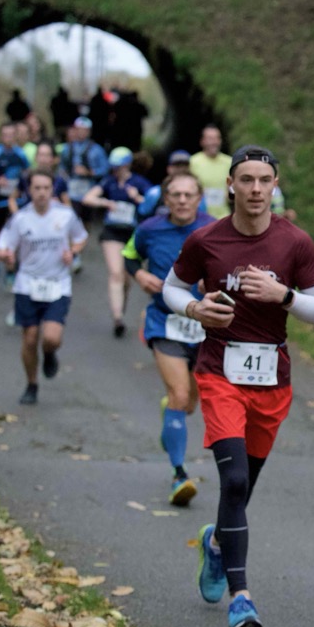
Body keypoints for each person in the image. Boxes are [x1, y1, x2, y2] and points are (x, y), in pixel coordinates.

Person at [161, 145, 314, 627]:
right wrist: (194, 309)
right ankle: (241, 598)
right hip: (219, 372)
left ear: (275, 186)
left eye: (264, 180)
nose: (256, 189)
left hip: (272, 380)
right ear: (231, 185)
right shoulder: (206, 238)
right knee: (234, 482)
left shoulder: (295, 242)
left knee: (244, 484)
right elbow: (173, 287)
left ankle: (216, 543)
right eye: (247, 180)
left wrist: (285, 296)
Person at [124, 173, 215, 506]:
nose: (182, 200)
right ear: (166, 198)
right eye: (175, 194)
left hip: (205, 324)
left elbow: (233, 266)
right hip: (165, 321)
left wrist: (214, 282)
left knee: (189, 404)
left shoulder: (215, 229)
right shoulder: (149, 229)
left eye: (188, 194)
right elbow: (129, 255)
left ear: (199, 198)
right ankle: (179, 474)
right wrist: (139, 273)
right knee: (179, 394)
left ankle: (172, 414)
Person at [0, 170, 89, 406]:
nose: (41, 193)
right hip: (27, 284)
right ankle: (31, 384)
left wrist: (73, 252)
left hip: (58, 284)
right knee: (29, 339)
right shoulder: (20, 218)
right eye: (36, 188)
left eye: (46, 188)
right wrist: (6, 256)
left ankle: (49, 353)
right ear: (29, 190)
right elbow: (3, 246)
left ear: (52, 189)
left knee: (51, 338)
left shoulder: (66, 215)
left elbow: (81, 237)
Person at [82, 147, 153, 337]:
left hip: (133, 233)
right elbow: (88, 198)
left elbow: (153, 203)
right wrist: (105, 203)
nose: (116, 170)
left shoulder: (139, 182)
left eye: (119, 167)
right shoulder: (109, 182)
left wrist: (136, 197)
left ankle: (120, 307)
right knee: (115, 273)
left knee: (125, 278)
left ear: (127, 165)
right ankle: (117, 318)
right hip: (112, 231)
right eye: (114, 167)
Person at [0, 121, 32, 289]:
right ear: (0, 136)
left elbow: (27, 173)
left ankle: (10, 270)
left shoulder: (20, 154)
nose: (9, 138)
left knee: (14, 233)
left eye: (11, 135)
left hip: (15, 202)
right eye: (5, 135)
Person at [62, 117, 109, 223]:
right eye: (79, 129)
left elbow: (105, 169)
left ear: (89, 132)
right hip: (72, 190)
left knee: (87, 220)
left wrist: (89, 172)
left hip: (88, 189)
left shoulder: (97, 150)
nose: (82, 132)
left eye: (85, 130)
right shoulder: (67, 149)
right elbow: (62, 168)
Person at [137, 150, 202, 219]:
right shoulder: (155, 193)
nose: (181, 169)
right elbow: (143, 215)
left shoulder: (197, 192)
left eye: (185, 166)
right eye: (177, 166)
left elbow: (202, 216)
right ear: (169, 168)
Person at [190, 125, 232, 218]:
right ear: (202, 141)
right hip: (200, 216)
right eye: (210, 138)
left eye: (217, 138)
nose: (214, 142)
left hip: (223, 216)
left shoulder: (229, 162)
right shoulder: (193, 162)